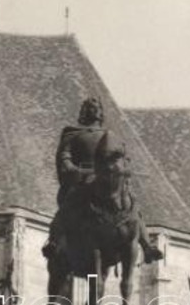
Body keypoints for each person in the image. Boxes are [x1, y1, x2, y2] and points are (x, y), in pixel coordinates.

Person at [43, 96, 162, 265]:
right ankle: (54, 242)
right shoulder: (72, 134)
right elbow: (65, 158)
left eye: (96, 108)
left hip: (106, 179)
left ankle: (147, 246)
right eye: (89, 108)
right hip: (82, 182)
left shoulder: (110, 137)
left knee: (132, 206)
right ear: (83, 113)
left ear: (100, 114)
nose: (93, 111)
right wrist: (75, 169)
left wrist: (121, 170)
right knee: (67, 206)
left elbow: (123, 158)